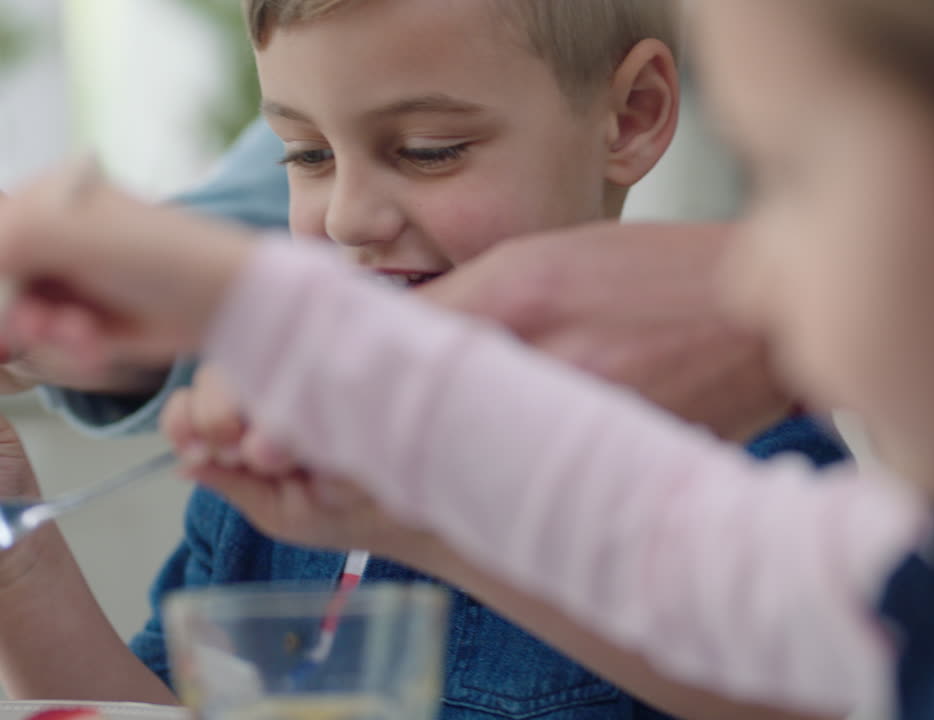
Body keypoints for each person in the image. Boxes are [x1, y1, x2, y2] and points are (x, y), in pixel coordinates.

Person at [3, 0, 934, 718]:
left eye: (789, 181)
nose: (741, 273)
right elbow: (653, 542)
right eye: (304, 155)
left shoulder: (868, 549)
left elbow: (654, 541)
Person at [0, 2, 845, 720]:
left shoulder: (747, 468)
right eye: (307, 156)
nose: (347, 219)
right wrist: (17, 551)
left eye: (429, 150)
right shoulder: (271, 486)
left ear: (630, 117)